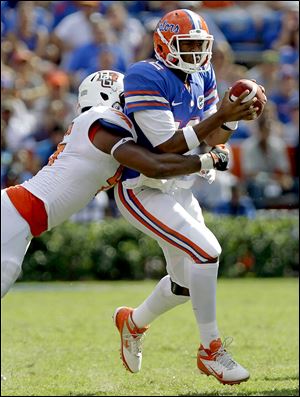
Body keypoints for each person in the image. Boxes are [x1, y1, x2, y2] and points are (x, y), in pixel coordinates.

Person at [1, 69, 235, 380]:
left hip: (23, 220)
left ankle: (134, 323)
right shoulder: (101, 121)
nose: (134, 106)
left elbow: (161, 156)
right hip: (15, 214)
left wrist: (216, 134)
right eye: (128, 98)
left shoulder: (103, 127)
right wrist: (207, 159)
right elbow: (155, 162)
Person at [113, 9, 264, 385]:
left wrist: (232, 118)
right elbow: (166, 146)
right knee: (207, 251)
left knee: (183, 285)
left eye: (202, 45)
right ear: (165, 44)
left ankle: (132, 322)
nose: (197, 53)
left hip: (178, 188)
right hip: (143, 187)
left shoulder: (204, 74)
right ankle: (211, 350)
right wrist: (220, 120)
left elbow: (213, 137)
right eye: (189, 45)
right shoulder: (145, 74)